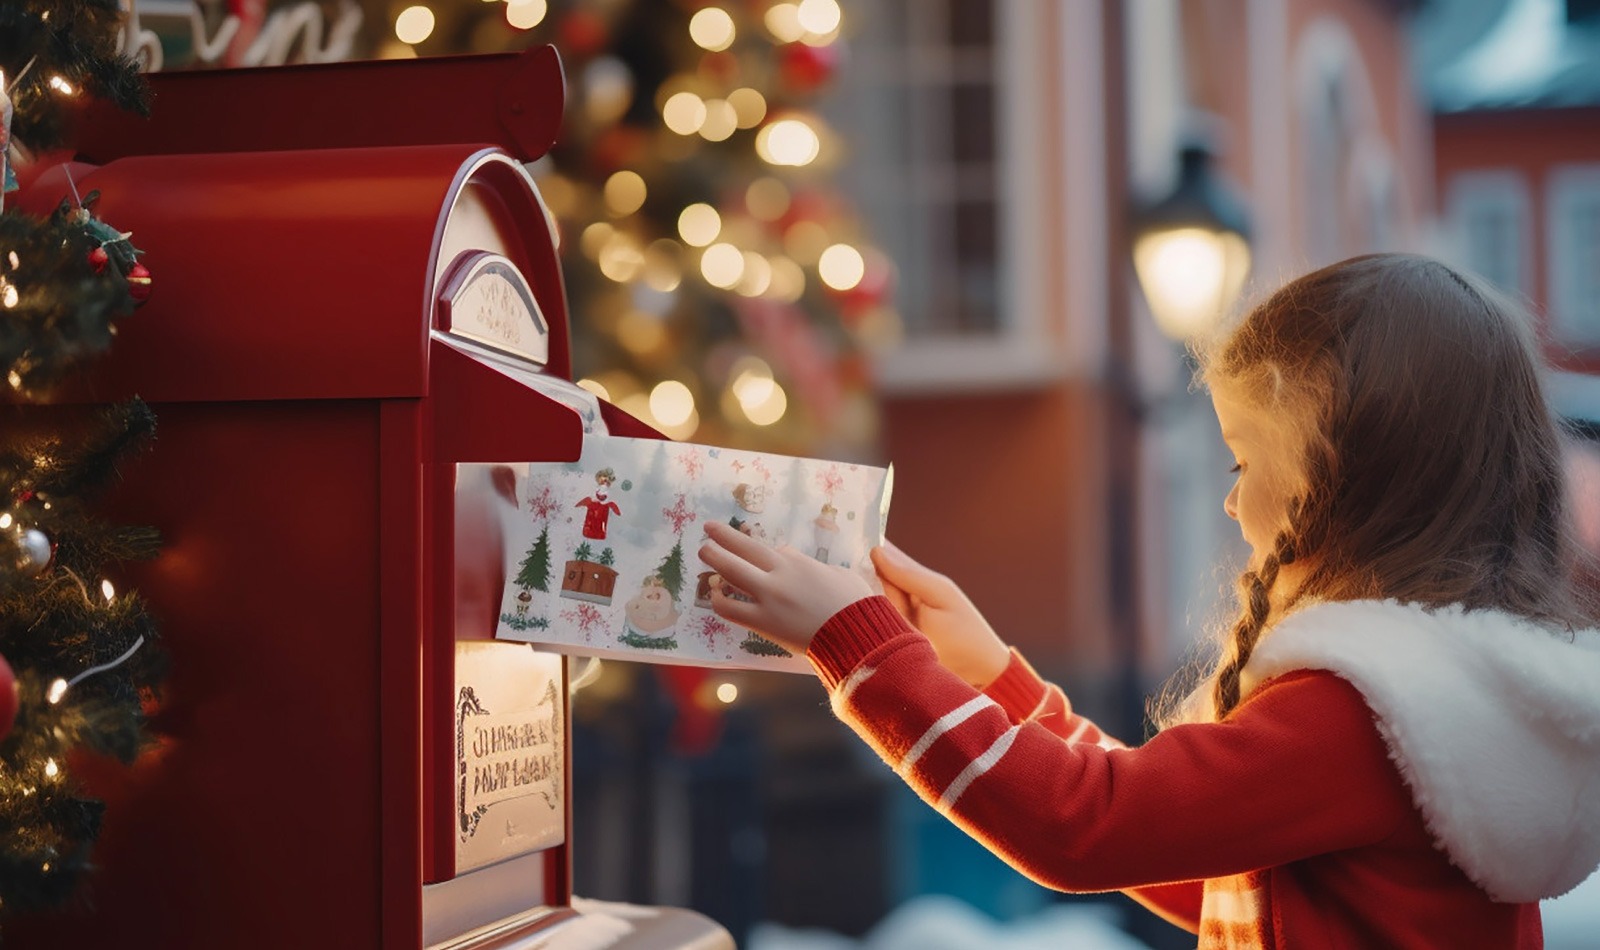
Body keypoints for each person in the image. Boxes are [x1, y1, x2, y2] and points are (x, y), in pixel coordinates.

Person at [700, 254, 1600, 948]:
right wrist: (993, 680)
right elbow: (1194, 856)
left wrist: (860, 648)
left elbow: (1089, 826)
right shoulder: (1443, 694)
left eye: (1245, 464)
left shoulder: (1362, 713)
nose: (1228, 500)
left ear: (1337, 480)